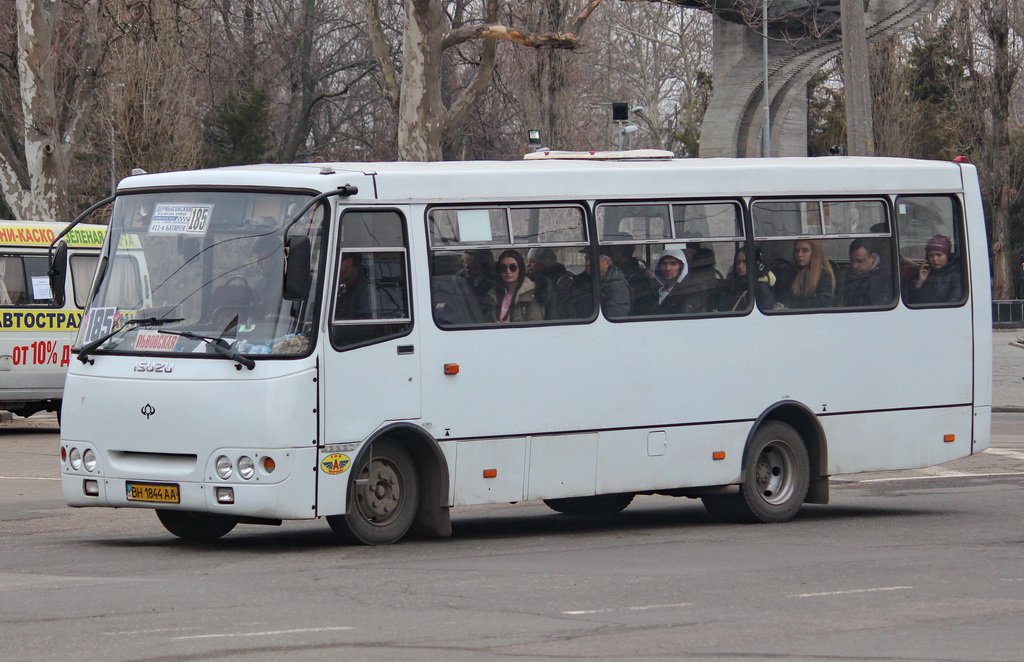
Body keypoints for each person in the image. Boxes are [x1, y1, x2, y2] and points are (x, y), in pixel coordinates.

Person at [567, 249, 631, 318]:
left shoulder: (617, 287)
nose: (588, 263)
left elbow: (614, 317)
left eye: (593, 259)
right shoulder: (580, 280)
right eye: (586, 259)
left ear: (607, 262)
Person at [905, 234, 963, 304]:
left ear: (947, 256)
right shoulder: (923, 272)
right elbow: (908, 300)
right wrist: (919, 282)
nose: (935, 259)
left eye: (939, 255)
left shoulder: (956, 274)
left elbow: (954, 301)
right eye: (931, 256)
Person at [488, 249, 543, 323]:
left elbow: (536, 325)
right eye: (503, 268)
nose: (508, 272)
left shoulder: (531, 295)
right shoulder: (493, 294)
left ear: (520, 269)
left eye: (512, 267)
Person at [714, 246, 774, 311]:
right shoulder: (735, 284)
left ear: (754, 263)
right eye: (738, 262)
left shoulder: (761, 288)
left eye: (745, 262)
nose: (740, 266)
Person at [780, 239, 835, 308]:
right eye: (797, 251)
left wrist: (791, 306)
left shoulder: (824, 274)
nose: (799, 255)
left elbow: (823, 301)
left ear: (815, 253)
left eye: (805, 251)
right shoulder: (790, 272)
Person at [649, 246, 703, 315]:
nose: (668, 268)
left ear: (681, 267)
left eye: (673, 264)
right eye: (664, 264)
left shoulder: (691, 293)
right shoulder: (653, 292)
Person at [526, 247, 575, 319]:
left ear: (545, 263)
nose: (528, 265)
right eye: (528, 261)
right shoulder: (527, 281)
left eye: (533, 261)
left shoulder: (564, 280)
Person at [842, 238, 892, 307]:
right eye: (852, 260)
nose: (854, 266)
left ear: (873, 258)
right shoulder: (847, 274)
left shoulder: (886, 279)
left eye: (860, 261)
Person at [607, 244, 655, 315]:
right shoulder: (614, 270)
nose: (610, 253)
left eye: (614, 250)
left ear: (623, 252)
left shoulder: (638, 276)